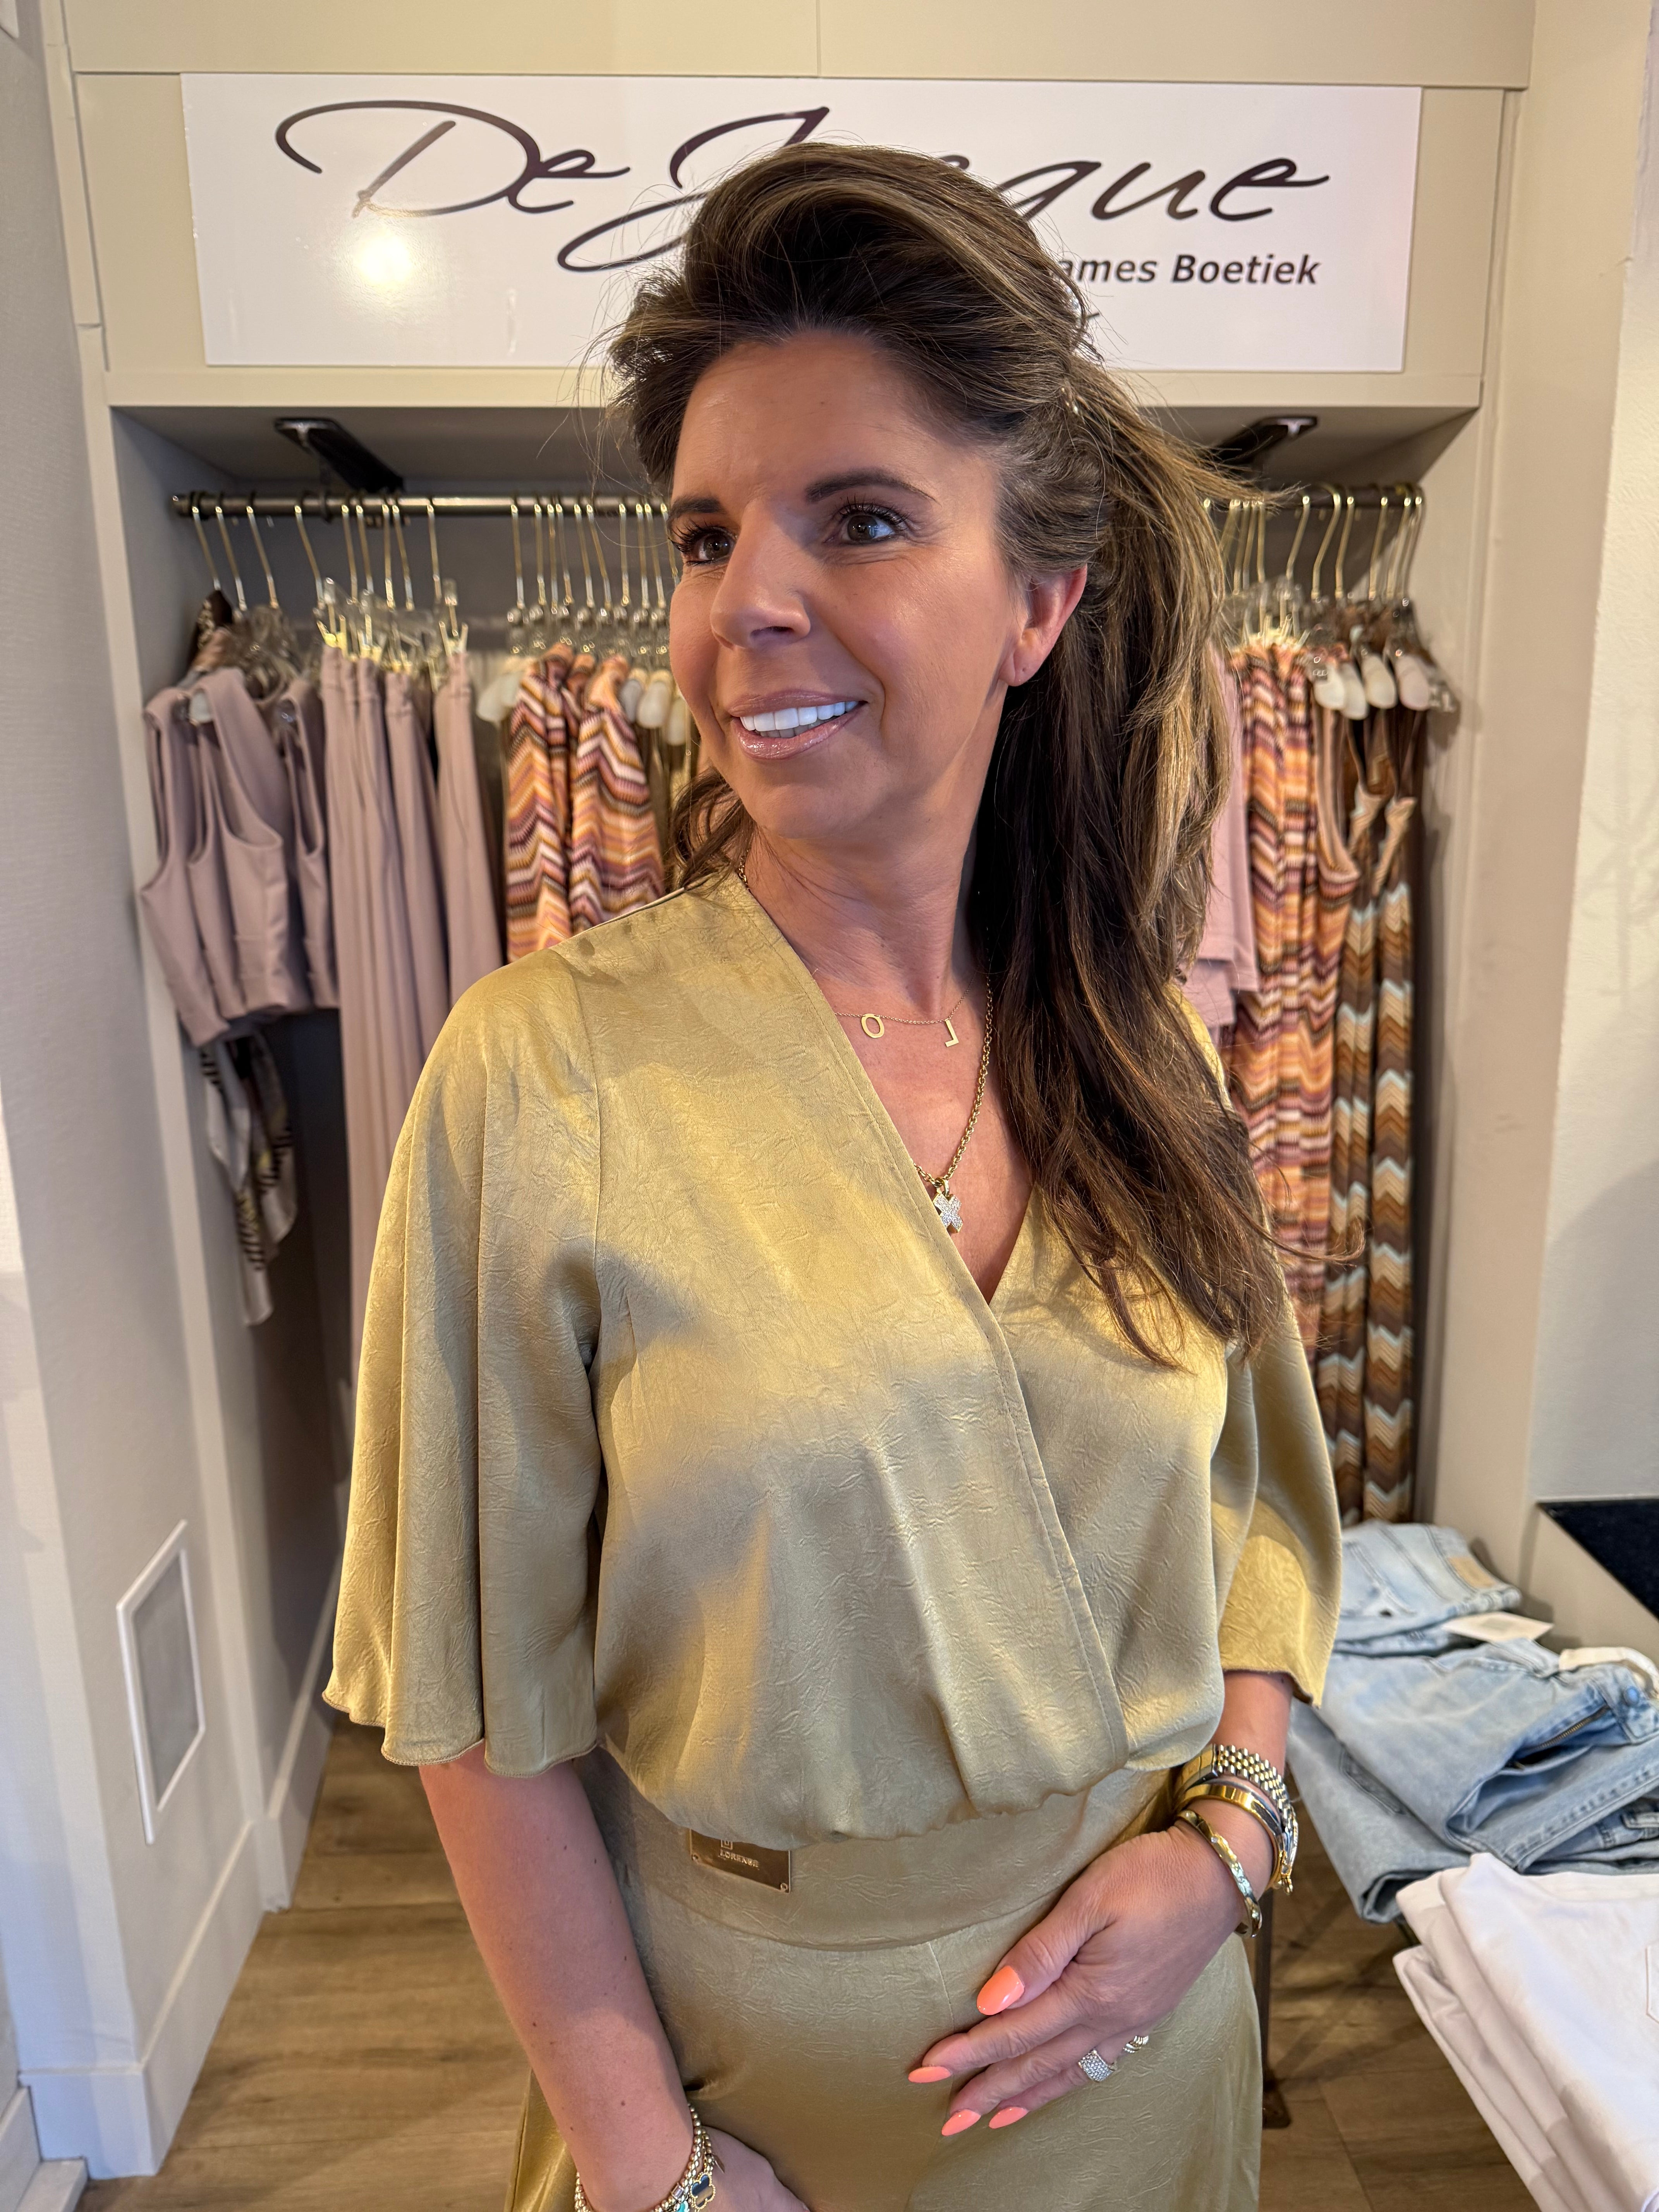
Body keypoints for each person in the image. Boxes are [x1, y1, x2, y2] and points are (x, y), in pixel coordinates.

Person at [326, 142, 1341, 2212]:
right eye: (707, 536)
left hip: (1147, 2045)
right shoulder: (544, 1075)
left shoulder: (1139, 1056)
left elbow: (1258, 1526)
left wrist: (1231, 1841)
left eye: (859, 518)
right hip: (750, 2097)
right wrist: (656, 2177)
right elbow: (478, 1716)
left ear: (1040, 603)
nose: (747, 603)